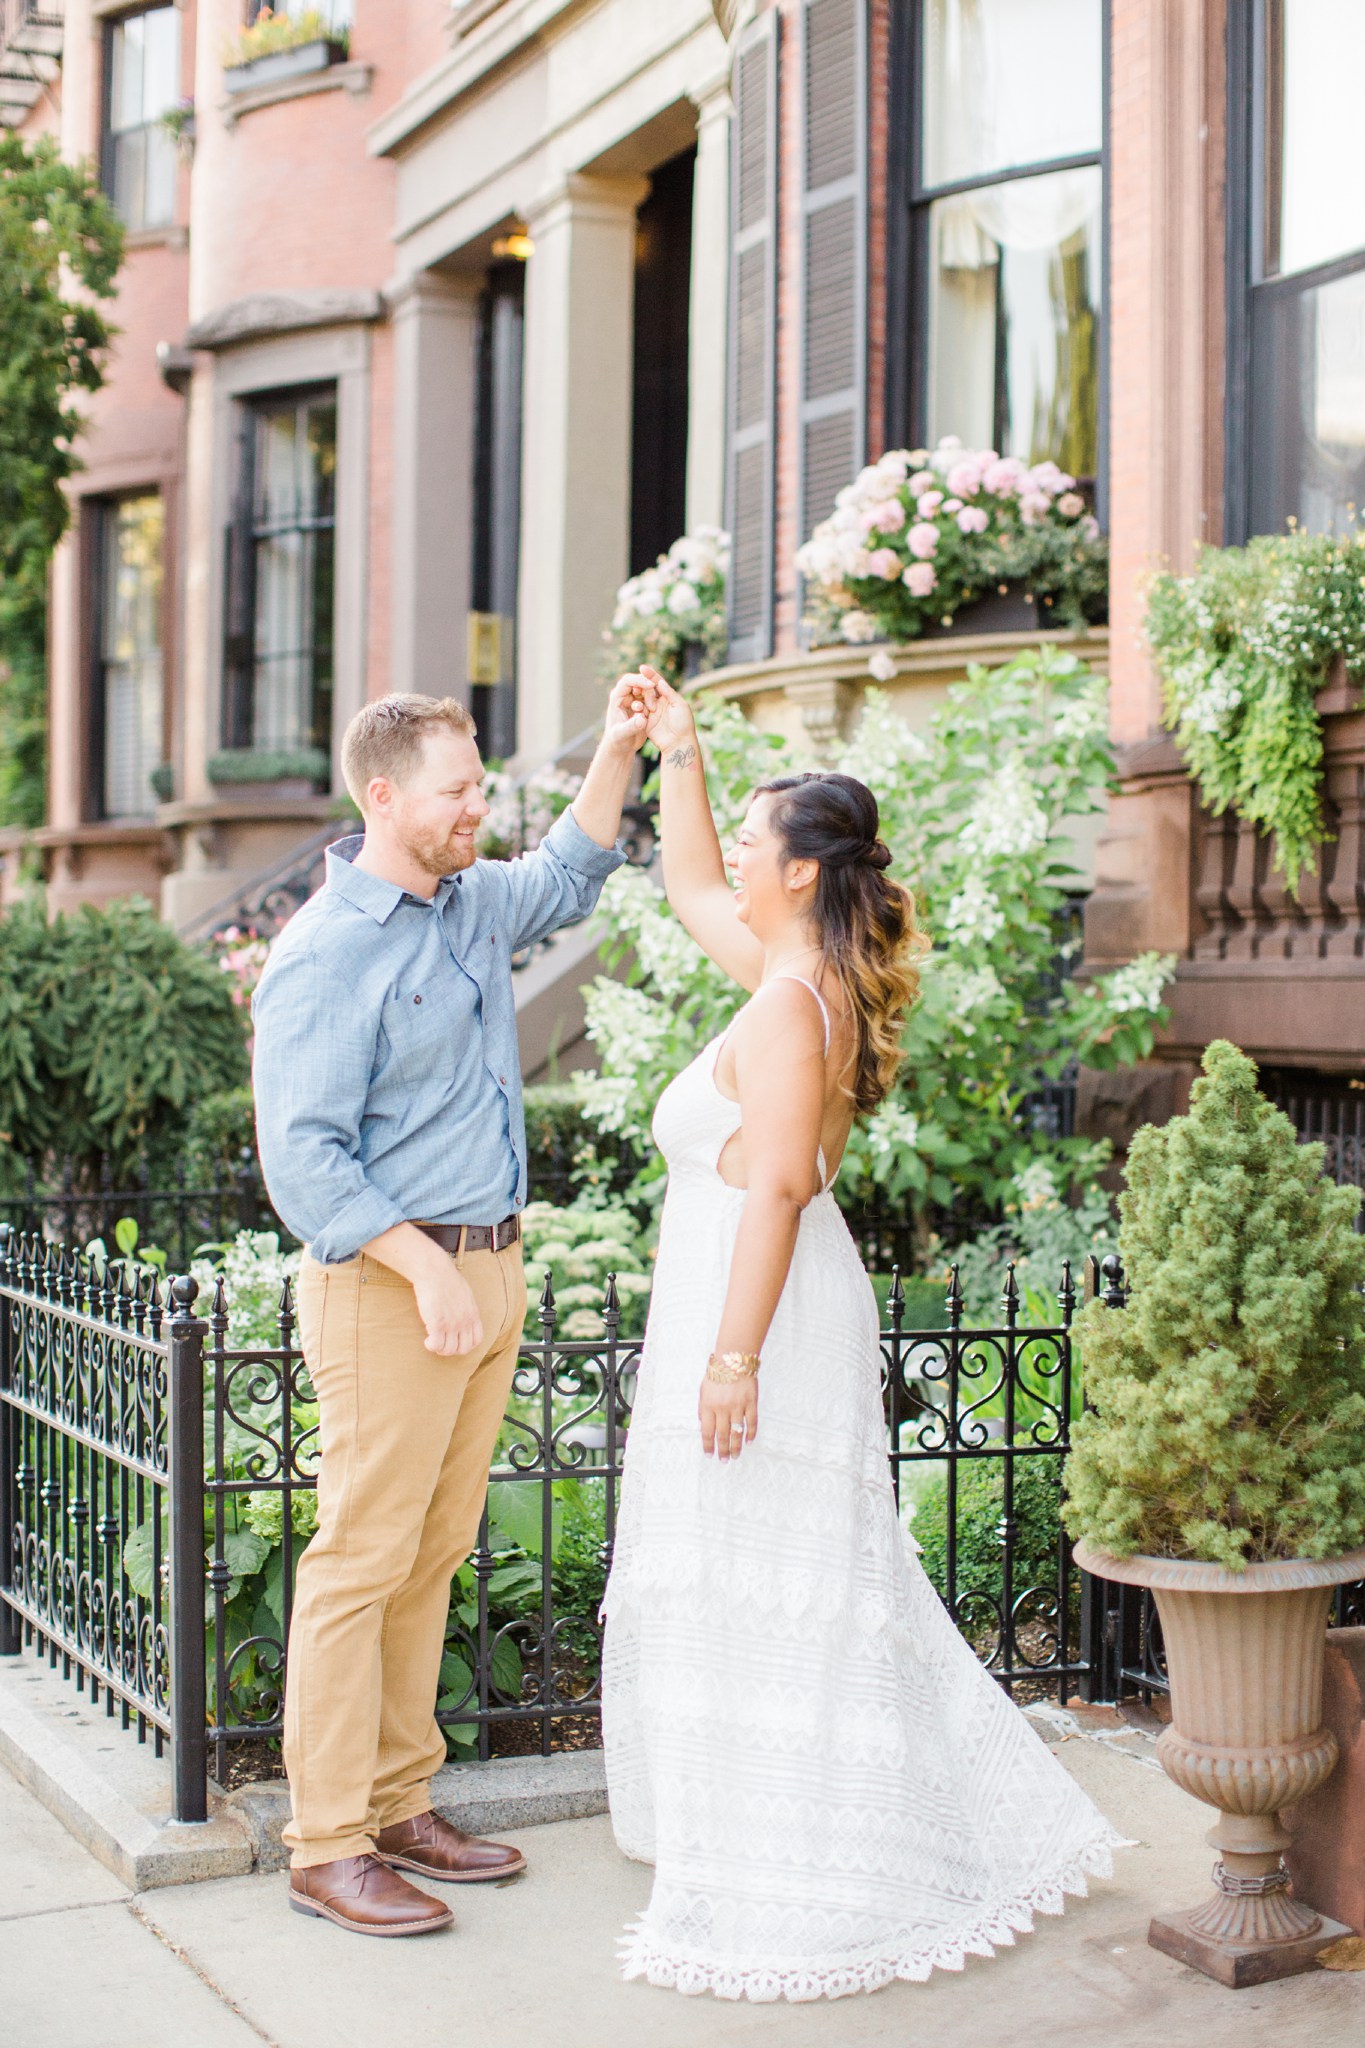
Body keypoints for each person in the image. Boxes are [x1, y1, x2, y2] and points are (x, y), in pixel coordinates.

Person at [601, 666, 1124, 2001]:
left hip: (759, 1304)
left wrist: (729, 1360)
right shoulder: (795, 968)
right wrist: (685, 752)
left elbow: (774, 1185)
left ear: (796, 871)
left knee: (771, 1569)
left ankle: (802, 1844)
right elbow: (686, 885)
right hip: (752, 1286)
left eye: (756, 830)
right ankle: (747, 1811)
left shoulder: (790, 1001)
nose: (738, 850)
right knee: (758, 1564)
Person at [252, 684, 646, 1938]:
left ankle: (398, 1796)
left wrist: (624, 747)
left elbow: (576, 869)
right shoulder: (324, 952)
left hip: (488, 1272)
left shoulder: (469, 904)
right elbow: (303, 1159)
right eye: (459, 790)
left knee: (431, 1551)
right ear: (383, 796)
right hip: (389, 1286)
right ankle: (326, 1841)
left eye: (480, 785)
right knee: (360, 1558)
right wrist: (424, 1269)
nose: (481, 805)